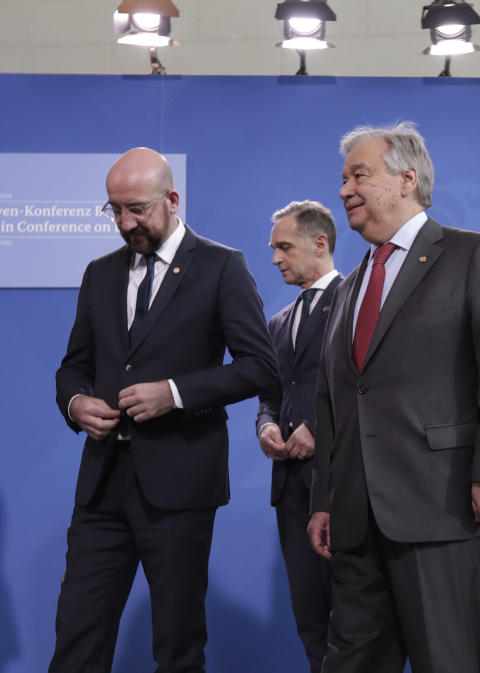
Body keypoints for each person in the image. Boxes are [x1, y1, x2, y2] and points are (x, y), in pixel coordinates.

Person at [305, 122, 480, 673]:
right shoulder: (352, 283)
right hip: (357, 519)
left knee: (445, 661)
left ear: (407, 180)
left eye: (359, 174)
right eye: (343, 178)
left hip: (443, 505)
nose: (344, 190)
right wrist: (324, 498)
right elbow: (335, 399)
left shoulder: (470, 254)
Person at [51, 147, 278, 673]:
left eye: (137, 209)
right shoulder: (99, 273)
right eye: (115, 210)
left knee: (177, 647)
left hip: (179, 489)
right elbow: (72, 367)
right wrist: (75, 402)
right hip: (102, 486)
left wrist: (173, 392)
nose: (125, 223)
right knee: (76, 641)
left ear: (172, 199)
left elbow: (260, 367)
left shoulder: (223, 266)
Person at [256, 200, 343, 672]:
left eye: (284, 247)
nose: (275, 258)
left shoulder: (356, 302)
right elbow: (269, 394)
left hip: (341, 483)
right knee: (310, 620)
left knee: (351, 619)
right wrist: (266, 425)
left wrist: (318, 428)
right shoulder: (278, 321)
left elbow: (367, 386)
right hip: (290, 488)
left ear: (320, 243)